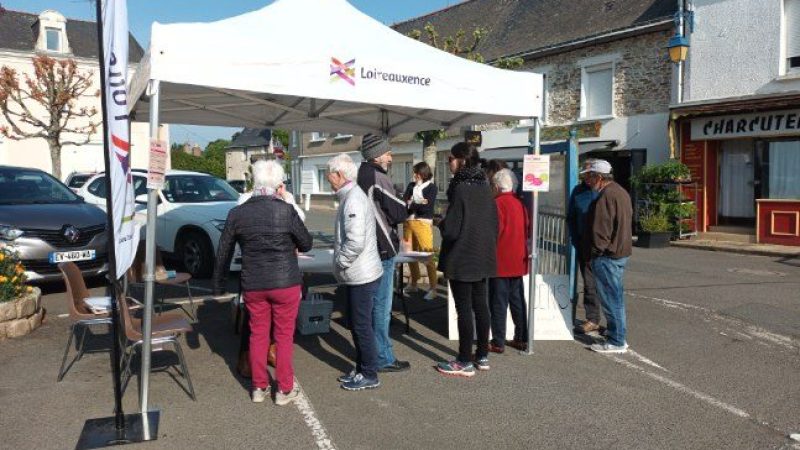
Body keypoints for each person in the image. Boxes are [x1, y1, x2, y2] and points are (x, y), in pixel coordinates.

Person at [213, 160, 313, 405]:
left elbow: (223, 251)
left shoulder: (237, 213)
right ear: (279, 184)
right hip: (285, 281)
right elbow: (307, 243)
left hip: (254, 283)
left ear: (254, 181)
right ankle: (285, 390)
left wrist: (219, 284)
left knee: (257, 335)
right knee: (283, 336)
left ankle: (259, 387)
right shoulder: (286, 210)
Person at [436, 142, 498, 377]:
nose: (448, 162)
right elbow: (495, 224)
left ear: (462, 160)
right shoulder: (485, 185)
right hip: (483, 255)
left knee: (464, 310)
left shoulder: (460, 188)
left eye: (450, 158)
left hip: (462, 256)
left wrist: (441, 222)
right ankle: (482, 355)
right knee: (481, 307)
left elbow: (452, 230)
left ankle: (464, 359)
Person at [235, 171, 304, 378]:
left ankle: (263, 374)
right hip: (256, 270)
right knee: (255, 325)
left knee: (272, 326)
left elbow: (300, 221)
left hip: (273, 270)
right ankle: (248, 360)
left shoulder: (286, 201)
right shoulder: (245, 200)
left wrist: (286, 199)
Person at [328, 153, 384, 391]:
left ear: (339, 175)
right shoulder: (350, 196)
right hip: (359, 272)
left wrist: (339, 262)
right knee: (357, 323)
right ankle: (363, 368)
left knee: (361, 325)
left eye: (328, 174)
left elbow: (355, 242)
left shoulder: (353, 199)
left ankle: (369, 373)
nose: (328, 179)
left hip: (361, 273)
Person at [356, 134, 411, 373]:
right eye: (388, 152)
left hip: (366, 247)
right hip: (382, 247)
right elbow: (399, 212)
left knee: (368, 306)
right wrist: (405, 201)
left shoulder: (359, 175)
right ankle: (383, 357)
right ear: (377, 154)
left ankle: (371, 353)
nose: (390, 156)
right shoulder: (378, 177)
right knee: (381, 306)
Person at [582, 159, 633, 354]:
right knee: (616, 298)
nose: (587, 180)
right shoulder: (620, 191)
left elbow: (601, 231)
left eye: (589, 176)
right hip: (619, 252)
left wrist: (596, 252)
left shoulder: (605, 196)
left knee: (611, 300)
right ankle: (618, 337)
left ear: (599, 177)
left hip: (607, 256)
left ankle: (616, 340)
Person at [488, 169, 529, 354]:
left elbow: (493, 233)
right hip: (518, 259)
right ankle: (521, 337)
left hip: (500, 260)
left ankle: (498, 341)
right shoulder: (520, 204)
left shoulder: (496, 204)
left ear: (496, 186)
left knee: (498, 302)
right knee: (517, 301)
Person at [566, 159, 602, 335]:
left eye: (591, 174)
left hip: (605, 247)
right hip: (584, 245)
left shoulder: (605, 191)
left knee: (609, 285)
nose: (588, 178)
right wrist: (575, 238)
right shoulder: (578, 191)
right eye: (585, 174)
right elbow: (571, 216)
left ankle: (614, 322)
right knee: (589, 283)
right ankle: (592, 319)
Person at [402, 162, 438, 301]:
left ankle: (433, 288)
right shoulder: (411, 186)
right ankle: (414, 283)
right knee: (409, 254)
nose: (414, 175)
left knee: (427, 254)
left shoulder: (432, 188)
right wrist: (418, 203)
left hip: (423, 223)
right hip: (408, 222)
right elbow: (405, 201)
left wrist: (412, 203)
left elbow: (427, 208)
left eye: (416, 172)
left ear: (423, 173)